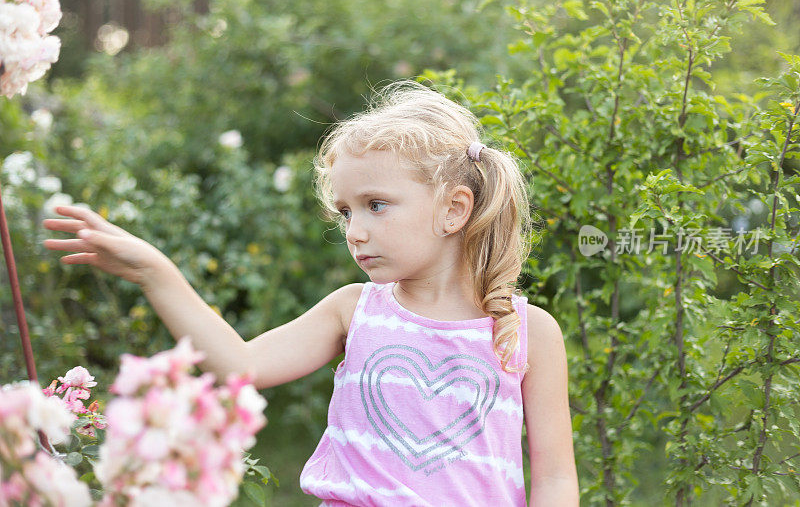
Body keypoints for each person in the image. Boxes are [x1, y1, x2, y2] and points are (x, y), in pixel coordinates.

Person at [42, 80, 579, 506]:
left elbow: (554, 478)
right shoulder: (355, 310)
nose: (355, 230)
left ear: (454, 209)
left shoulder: (528, 332)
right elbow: (239, 365)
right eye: (346, 211)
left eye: (376, 204)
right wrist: (156, 274)